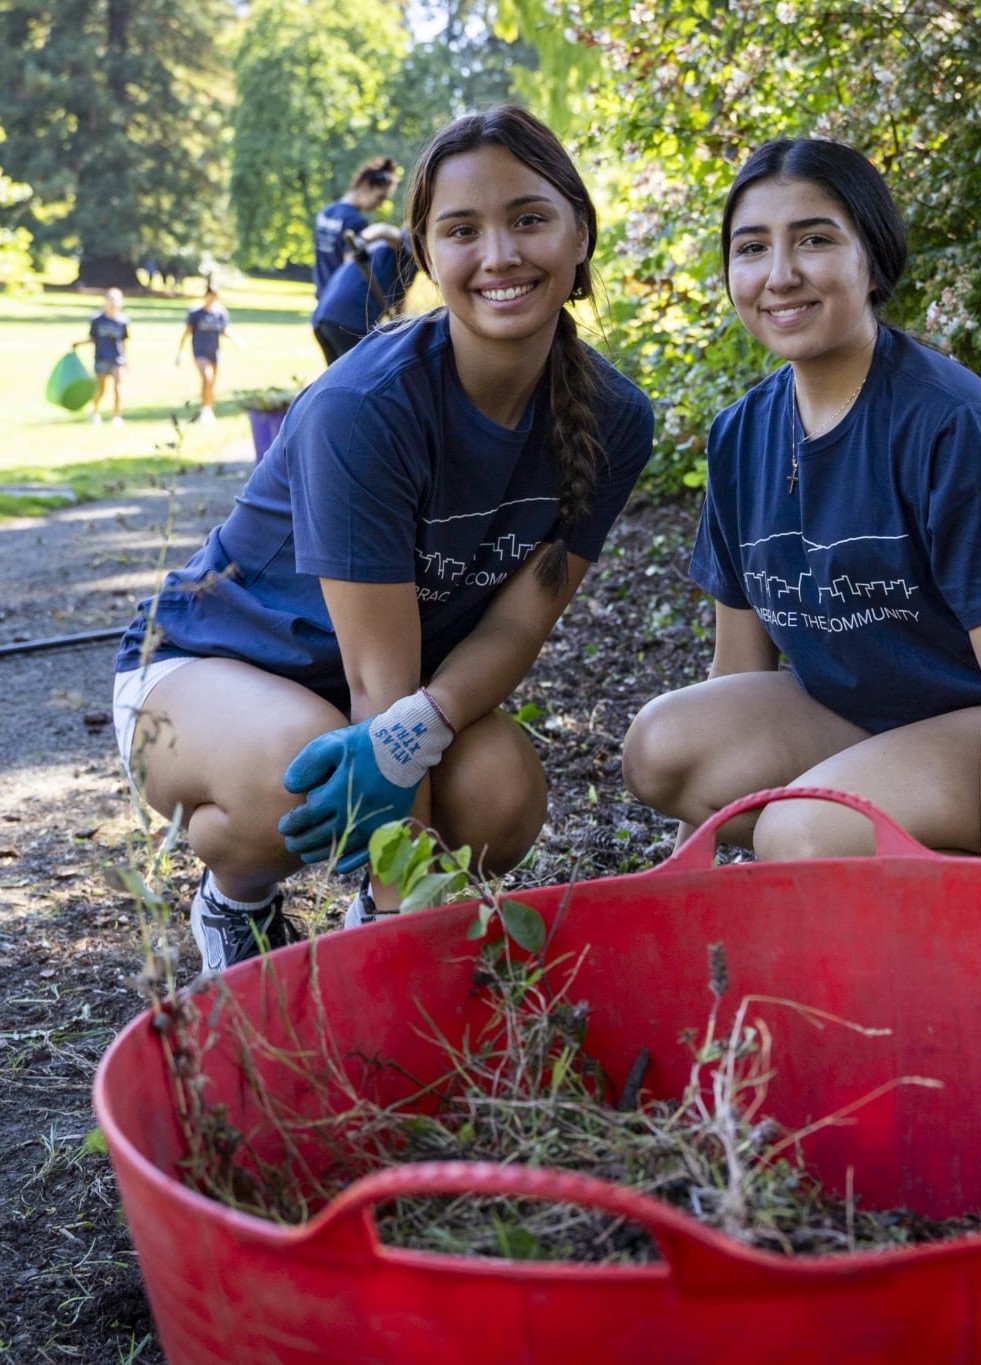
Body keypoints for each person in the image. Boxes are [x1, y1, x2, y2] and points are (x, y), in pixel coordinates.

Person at [111, 105, 654, 977]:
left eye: (528, 219)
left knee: (503, 788)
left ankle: (370, 920)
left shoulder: (616, 417)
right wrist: (409, 939)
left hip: (381, 694)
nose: (500, 255)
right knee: (299, 764)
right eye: (462, 230)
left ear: (579, 233)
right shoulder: (367, 406)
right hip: (197, 678)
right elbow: (378, 682)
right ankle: (237, 901)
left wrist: (426, 728)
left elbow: (515, 628)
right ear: (427, 255)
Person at [622, 138, 981, 868]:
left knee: (799, 832)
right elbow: (740, 676)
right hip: (889, 721)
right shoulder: (738, 436)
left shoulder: (949, 423)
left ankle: (950, 885)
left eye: (813, 240)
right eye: (751, 248)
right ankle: (889, 865)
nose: (779, 275)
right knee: (664, 750)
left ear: (871, 261)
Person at [311, 225, 418, 364]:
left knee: (339, 378)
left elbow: (399, 305)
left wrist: (401, 332)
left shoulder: (408, 268)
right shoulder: (402, 248)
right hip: (348, 319)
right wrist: (361, 242)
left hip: (325, 318)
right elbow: (382, 230)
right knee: (355, 377)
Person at [313, 156, 399, 300]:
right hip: (338, 299)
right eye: (379, 197)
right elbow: (350, 267)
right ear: (365, 186)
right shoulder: (355, 221)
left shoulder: (326, 212)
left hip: (322, 296)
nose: (380, 205)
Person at [175, 284, 241, 423]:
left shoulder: (220, 313)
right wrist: (179, 353)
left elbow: (223, 330)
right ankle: (205, 409)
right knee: (207, 377)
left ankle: (209, 410)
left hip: (214, 352)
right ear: (206, 296)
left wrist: (236, 339)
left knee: (211, 383)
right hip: (200, 351)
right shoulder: (196, 313)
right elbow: (186, 332)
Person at [71, 288, 130, 425]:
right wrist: (79, 343)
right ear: (106, 302)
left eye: (115, 301)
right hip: (102, 358)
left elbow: (124, 341)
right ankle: (95, 412)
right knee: (101, 390)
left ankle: (117, 416)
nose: (113, 304)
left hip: (117, 358)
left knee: (118, 388)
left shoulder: (123, 321)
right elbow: (93, 338)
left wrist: (126, 360)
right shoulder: (97, 320)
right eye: (110, 300)